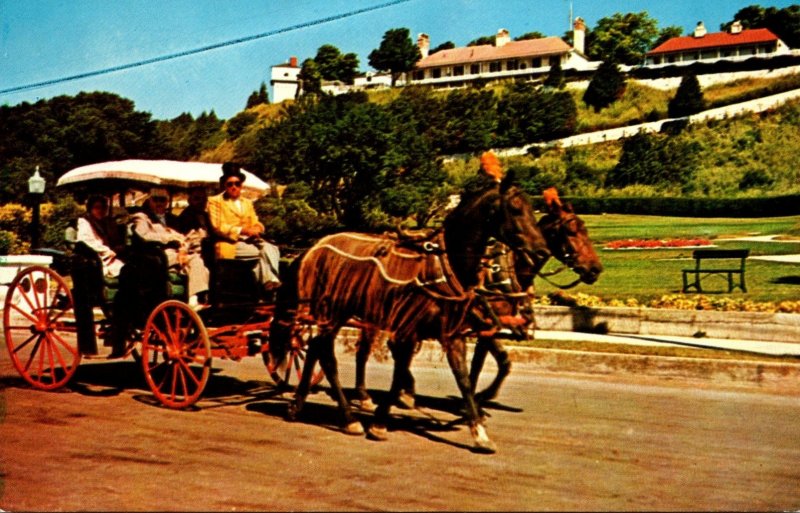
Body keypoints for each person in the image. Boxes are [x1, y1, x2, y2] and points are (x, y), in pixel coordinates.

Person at [206, 162, 281, 292]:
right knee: (258, 253)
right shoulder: (215, 201)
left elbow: (255, 221)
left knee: (272, 249)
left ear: (241, 185)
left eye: (237, 184)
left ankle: (272, 280)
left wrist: (258, 228)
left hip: (250, 241)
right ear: (224, 185)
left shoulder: (247, 203)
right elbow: (217, 226)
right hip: (229, 243)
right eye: (230, 184)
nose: (234, 187)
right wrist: (243, 230)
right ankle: (268, 282)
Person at [130, 187, 210, 306]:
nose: (159, 203)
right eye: (155, 199)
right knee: (191, 259)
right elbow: (145, 235)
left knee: (199, 262)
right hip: (156, 255)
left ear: (167, 202)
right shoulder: (142, 217)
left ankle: (194, 300)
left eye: (162, 200)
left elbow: (182, 236)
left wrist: (187, 243)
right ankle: (192, 300)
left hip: (177, 253)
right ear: (150, 200)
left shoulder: (173, 219)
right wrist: (170, 237)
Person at [75, 195, 125, 278]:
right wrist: (106, 250)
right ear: (90, 209)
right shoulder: (84, 222)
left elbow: (112, 239)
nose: (100, 210)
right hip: (96, 259)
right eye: (97, 208)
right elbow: (86, 241)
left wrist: (116, 247)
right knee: (125, 270)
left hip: (111, 256)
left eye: (103, 208)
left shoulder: (105, 222)